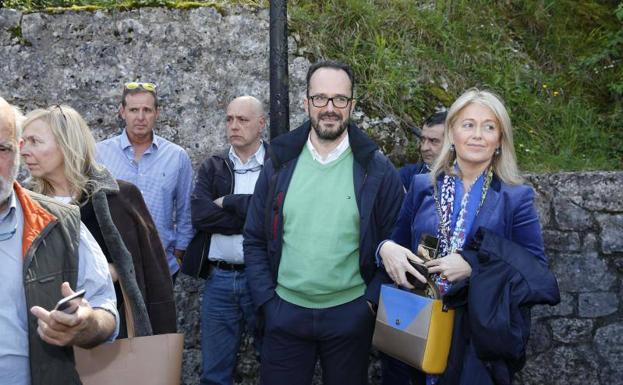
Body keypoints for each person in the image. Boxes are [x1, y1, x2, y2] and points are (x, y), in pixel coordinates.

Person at [378, 88, 559, 384]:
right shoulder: (422, 185)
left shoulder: (516, 197)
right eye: (468, 124)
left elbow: (536, 272)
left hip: (477, 337)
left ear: (499, 140)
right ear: (452, 133)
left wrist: (474, 266)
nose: (478, 134)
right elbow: (394, 240)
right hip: (416, 324)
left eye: (489, 127)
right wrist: (385, 248)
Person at [243, 61, 404, 385]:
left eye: (339, 99)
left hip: (350, 316)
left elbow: (397, 238)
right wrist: (267, 303)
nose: (329, 108)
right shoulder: (279, 161)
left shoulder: (376, 168)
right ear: (306, 103)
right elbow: (255, 239)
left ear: (352, 105)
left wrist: (370, 303)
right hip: (284, 313)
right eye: (320, 98)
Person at [20, 105, 176, 338]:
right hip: (38, 336)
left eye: (35, 141)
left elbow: (153, 276)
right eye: (23, 142)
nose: (24, 151)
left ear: (66, 143)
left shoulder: (119, 198)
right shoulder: (23, 204)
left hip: (111, 340)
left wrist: (113, 272)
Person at [0, 98, 118, 385]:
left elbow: (105, 308)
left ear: (18, 149)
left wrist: (87, 324)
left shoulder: (60, 222)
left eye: (2, 149)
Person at [188, 96, 266, 385]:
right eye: (229, 119)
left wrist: (229, 202)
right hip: (220, 279)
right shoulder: (214, 166)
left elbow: (278, 217)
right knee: (214, 373)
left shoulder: (277, 166)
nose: (234, 126)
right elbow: (200, 216)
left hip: (264, 278)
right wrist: (252, 218)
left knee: (276, 364)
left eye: (242, 120)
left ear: (261, 124)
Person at [96, 82, 194, 282]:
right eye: (133, 110)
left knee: (161, 315)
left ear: (157, 112)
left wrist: (179, 254)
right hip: (113, 266)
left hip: (162, 266)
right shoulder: (99, 154)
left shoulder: (176, 157)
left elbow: (186, 211)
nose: (140, 117)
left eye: (147, 110)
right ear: (122, 112)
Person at [399, 111, 446, 190]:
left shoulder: (465, 180)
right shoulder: (408, 174)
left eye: (433, 141)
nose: (424, 148)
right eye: (423, 140)